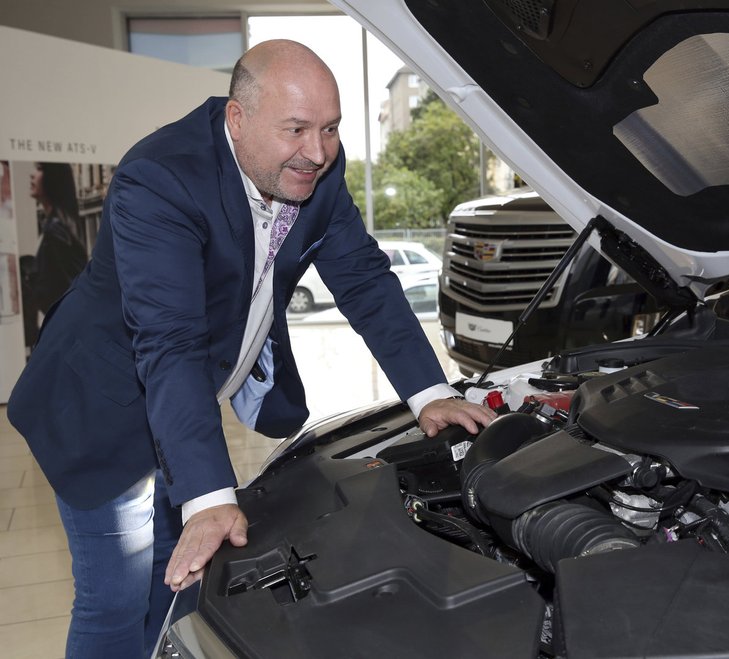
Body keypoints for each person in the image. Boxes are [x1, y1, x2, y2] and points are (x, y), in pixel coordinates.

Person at [6, 39, 495, 659]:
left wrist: (429, 395)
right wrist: (209, 497)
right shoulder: (160, 179)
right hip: (102, 404)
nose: (316, 152)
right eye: (296, 129)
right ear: (238, 120)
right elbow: (171, 339)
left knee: (177, 580)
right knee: (115, 599)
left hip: (180, 403)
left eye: (331, 129)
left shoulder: (313, 170)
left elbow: (365, 280)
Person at [20, 162, 88, 349]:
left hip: (62, 339)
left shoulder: (56, 233)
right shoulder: (54, 227)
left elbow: (71, 290)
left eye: (40, 169)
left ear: (53, 178)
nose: (32, 175)